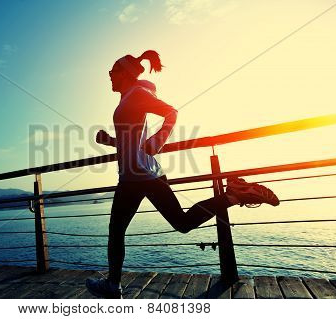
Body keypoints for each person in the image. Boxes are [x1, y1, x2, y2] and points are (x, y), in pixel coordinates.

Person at [85, 50, 279, 299]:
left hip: (138, 176)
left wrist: (158, 140)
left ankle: (113, 285)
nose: (109, 76)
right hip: (141, 174)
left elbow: (171, 112)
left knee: (119, 230)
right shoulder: (128, 99)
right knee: (180, 223)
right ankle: (233, 196)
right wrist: (110, 140)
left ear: (124, 73)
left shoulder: (136, 94)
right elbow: (132, 140)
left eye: (112, 72)